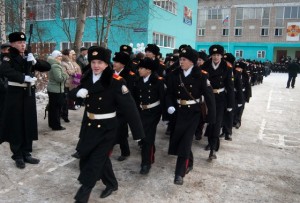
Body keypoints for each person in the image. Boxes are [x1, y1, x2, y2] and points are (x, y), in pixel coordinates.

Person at [71, 46, 145, 202]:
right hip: (89, 126)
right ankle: (111, 183)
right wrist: (77, 94)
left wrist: (138, 134)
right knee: (89, 157)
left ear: (106, 64)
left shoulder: (116, 81)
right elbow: (73, 91)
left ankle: (83, 194)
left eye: (100, 62)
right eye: (93, 62)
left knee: (95, 161)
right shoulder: (86, 77)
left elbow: (130, 108)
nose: (96, 65)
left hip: (107, 128)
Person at [0, 32, 50, 169]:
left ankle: (26, 152)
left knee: (28, 122)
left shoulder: (28, 55)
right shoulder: (7, 56)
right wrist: (23, 78)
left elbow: (47, 67)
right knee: (16, 125)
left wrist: (35, 62)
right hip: (15, 94)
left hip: (28, 95)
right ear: (12, 44)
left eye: (24, 43)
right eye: (19, 43)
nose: (22, 45)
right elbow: (5, 70)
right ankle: (17, 155)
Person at [166, 47, 216, 185]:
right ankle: (190, 162)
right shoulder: (175, 74)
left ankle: (179, 174)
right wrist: (169, 105)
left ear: (192, 62)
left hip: (193, 113)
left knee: (186, 140)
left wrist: (211, 117)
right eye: (180, 59)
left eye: (184, 59)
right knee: (180, 140)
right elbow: (169, 93)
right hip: (178, 111)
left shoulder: (201, 75)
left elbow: (209, 97)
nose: (181, 62)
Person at [202, 44, 234, 160]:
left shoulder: (227, 67)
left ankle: (213, 150)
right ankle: (211, 143)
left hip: (220, 98)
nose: (216, 57)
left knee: (216, 123)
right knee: (210, 122)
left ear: (221, 56)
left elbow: (230, 86)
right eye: (214, 55)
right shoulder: (205, 66)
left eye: (218, 55)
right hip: (208, 97)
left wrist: (230, 104)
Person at [134, 57, 166, 175]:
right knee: (144, 137)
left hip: (153, 112)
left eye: (141, 68)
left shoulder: (158, 81)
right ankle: (150, 154)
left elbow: (163, 98)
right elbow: (136, 98)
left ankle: (145, 163)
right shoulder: (138, 80)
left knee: (147, 137)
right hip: (141, 111)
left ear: (149, 70)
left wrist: (165, 116)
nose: (139, 70)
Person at [112, 51, 138, 161]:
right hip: (111, 107)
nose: (114, 64)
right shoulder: (111, 73)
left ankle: (125, 152)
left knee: (121, 130)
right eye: (114, 61)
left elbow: (130, 93)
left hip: (122, 108)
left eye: (117, 62)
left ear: (122, 64)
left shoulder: (130, 75)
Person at [46, 50, 69, 131]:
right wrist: (66, 74)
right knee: (56, 109)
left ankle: (52, 124)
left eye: (61, 56)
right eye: (59, 56)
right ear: (55, 57)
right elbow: (59, 78)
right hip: (56, 90)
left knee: (53, 108)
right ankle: (56, 126)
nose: (61, 57)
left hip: (53, 89)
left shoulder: (52, 64)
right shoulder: (56, 65)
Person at [61, 49, 82, 122]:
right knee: (65, 100)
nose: (73, 55)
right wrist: (74, 71)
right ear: (67, 54)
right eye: (71, 53)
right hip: (66, 83)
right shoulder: (65, 62)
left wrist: (75, 73)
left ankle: (65, 114)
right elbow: (68, 72)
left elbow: (76, 71)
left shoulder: (71, 62)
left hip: (73, 82)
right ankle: (64, 115)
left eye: (74, 54)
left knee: (67, 99)